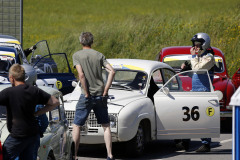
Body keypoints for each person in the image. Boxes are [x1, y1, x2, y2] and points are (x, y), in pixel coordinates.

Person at [0, 64, 59, 160]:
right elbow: (55, 102)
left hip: (17, 135)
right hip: (33, 135)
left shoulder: (8, 92)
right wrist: (37, 113)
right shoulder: (35, 91)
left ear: (12, 78)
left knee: (4, 156)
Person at [72, 32, 115, 160]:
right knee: (106, 126)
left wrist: (86, 92)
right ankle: (110, 154)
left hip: (86, 96)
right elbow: (112, 71)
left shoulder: (77, 55)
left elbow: (81, 75)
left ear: (81, 42)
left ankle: (74, 155)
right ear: (92, 42)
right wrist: (105, 90)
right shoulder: (99, 55)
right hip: (100, 95)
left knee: (77, 125)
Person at [190, 32, 215, 152]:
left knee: (204, 118)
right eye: (194, 45)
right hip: (195, 91)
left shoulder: (209, 57)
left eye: (198, 45)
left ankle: (206, 143)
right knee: (192, 117)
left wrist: (194, 57)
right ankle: (184, 141)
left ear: (204, 45)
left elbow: (197, 69)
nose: (195, 48)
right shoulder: (198, 57)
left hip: (204, 91)